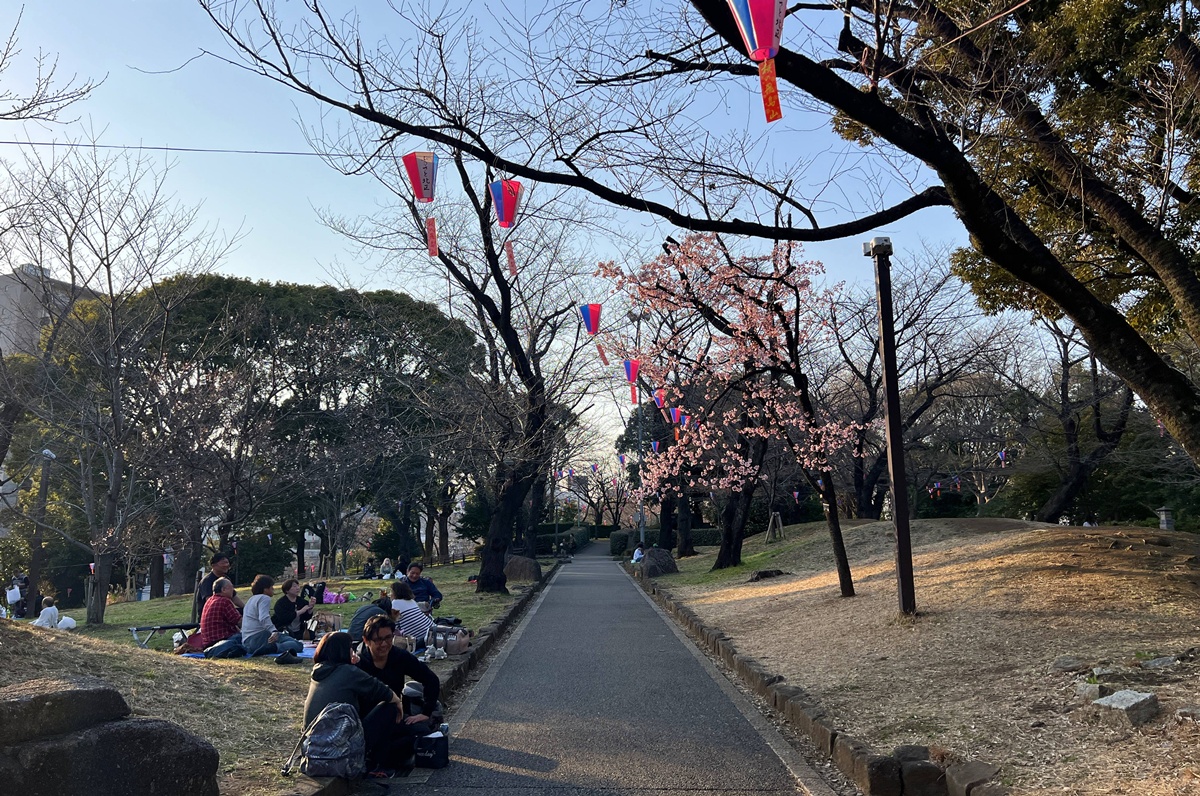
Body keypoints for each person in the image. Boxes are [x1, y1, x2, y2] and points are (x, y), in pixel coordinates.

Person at [303, 632, 420, 776]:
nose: (352, 651)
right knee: (388, 708)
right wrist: (398, 702)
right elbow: (381, 690)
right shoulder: (348, 671)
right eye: (350, 648)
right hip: (341, 746)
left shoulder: (319, 671)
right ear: (343, 651)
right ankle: (376, 764)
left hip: (313, 746)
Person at [357, 615, 440, 726]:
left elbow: (431, 679)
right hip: (366, 719)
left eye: (388, 638)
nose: (384, 644)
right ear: (366, 640)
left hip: (396, 714)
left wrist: (426, 712)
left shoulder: (399, 656)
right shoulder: (357, 662)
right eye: (378, 640)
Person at [243, 575, 304, 663]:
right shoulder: (264, 598)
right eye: (271, 587)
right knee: (298, 645)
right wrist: (273, 631)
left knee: (285, 638)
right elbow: (263, 617)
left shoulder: (251, 599)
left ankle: (273, 646)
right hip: (259, 638)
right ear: (265, 589)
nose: (273, 589)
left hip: (247, 641)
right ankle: (273, 647)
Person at [197, 577, 244, 657]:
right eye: (231, 588)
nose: (233, 590)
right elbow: (240, 622)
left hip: (208, 643)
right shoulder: (224, 601)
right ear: (223, 589)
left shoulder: (210, 600)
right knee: (249, 636)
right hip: (222, 641)